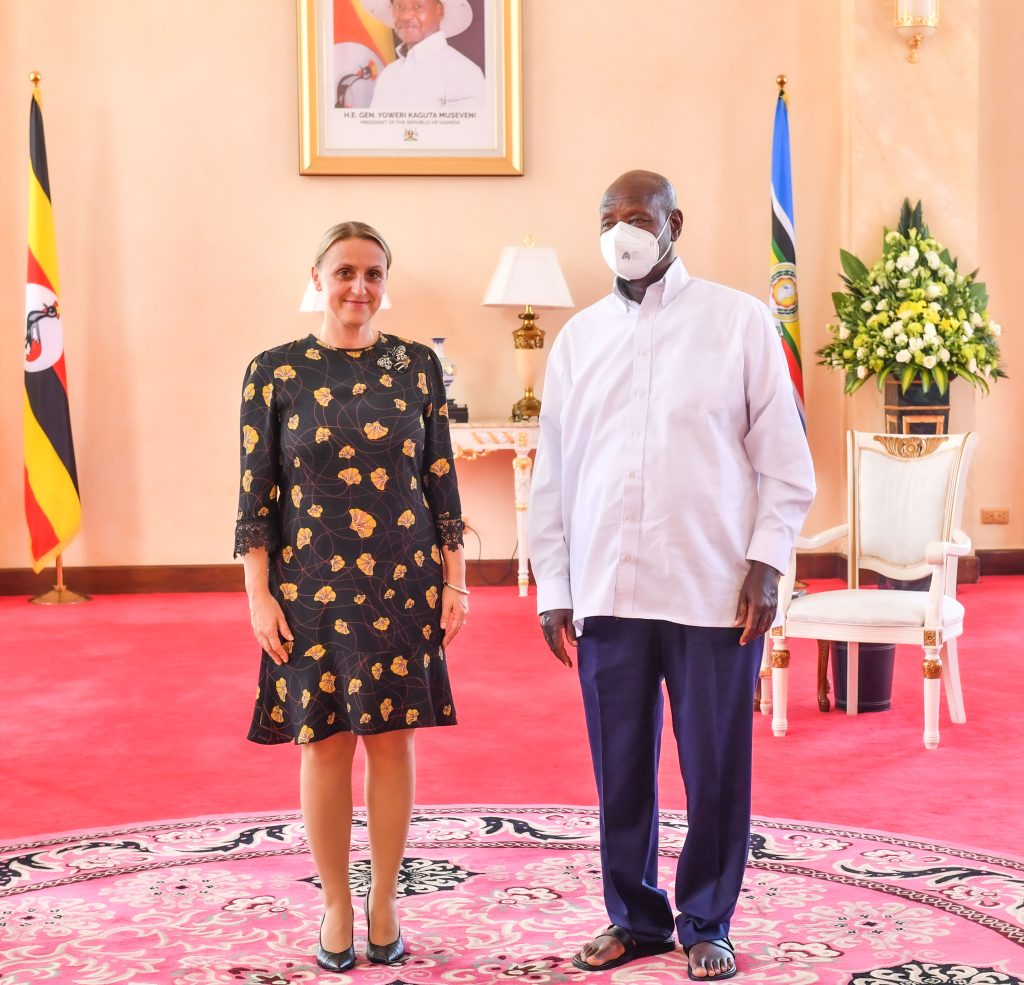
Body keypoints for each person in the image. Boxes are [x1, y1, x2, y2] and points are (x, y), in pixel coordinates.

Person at [529, 171, 815, 980]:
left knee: (715, 766)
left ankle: (707, 918)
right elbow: (554, 474)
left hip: (711, 589)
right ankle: (635, 918)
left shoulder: (739, 322)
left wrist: (767, 564)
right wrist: (554, 585)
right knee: (619, 766)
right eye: (607, 217)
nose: (621, 230)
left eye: (636, 216)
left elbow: (787, 466)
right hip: (606, 593)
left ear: (672, 224)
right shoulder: (577, 340)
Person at [234, 221, 469, 973]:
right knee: (325, 744)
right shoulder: (273, 372)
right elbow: (255, 496)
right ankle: (337, 900)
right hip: (309, 589)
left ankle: (386, 899)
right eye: (344, 272)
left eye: (372, 273)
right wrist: (258, 596)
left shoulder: (417, 366)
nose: (358, 288)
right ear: (317, 276)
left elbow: (440, 478)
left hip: (403, 580)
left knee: (393, 741)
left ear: (385, 280)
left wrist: (455, 576)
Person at [364, 0, 485, 110]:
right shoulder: (388, 74)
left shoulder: (464, 73)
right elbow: (375, 133)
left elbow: (468, 133)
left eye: (417, 6)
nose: (406, 16)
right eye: (399, 6)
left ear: (439, 11)